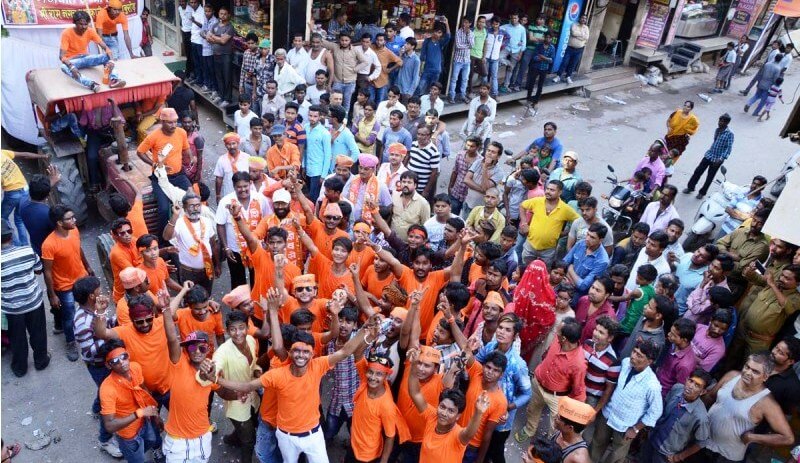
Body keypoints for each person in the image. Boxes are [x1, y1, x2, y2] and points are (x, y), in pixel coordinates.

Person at [215, 312, 377, 463]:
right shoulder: (278, 374)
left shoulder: (318, 365)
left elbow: (345, 351)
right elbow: (247, 385)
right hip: (286, 437)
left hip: (313, 436)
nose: (301, 355)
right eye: (296, 351)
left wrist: (364, 328)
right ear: (289, 353)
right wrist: (216, 379)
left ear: (312, 353)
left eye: (306, 351)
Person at [697, 353, 794, 462]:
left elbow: (788, 438)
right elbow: (710, 396)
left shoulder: (766, 403)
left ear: (765, 377)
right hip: (701, 441)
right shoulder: (731, 376)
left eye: (755, 371)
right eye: (747, 367)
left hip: (725, 456)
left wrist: (753, 438)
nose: (748, 373)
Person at [406, 348, 490, 463]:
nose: (444, 413)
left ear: (458, 416)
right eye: (442, 407)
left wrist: (478, 412)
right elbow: (415, 393)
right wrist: (414, 364)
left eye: (451, 411)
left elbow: (469, 433)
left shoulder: (458, 436)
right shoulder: (432, 417)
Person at [589, 340, 663, 463]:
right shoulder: (624, 363)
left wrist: (635, 429)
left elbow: (656, 411)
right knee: (597, 443)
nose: (633, 356)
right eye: (634, 351)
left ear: (649, 361)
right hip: (608, 415)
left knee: (616, 456)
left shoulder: (652, 385)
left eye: (639, 355)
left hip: (626, 425)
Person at [515, 318, 587, 443]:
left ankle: (549, 443)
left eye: (557, 332)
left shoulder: (579, 363)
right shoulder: (558, 340)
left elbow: (578, 390)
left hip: (556, 397)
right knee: (532, 410)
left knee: (556, 426)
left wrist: (573, 413)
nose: (555, 334)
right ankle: (529, 430)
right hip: (537, 384)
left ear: (564, 338)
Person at [97, 340, 164, 463]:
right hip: (129, 435)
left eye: (123, 356)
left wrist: (156, 415)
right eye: (115, 361)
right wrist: (139, 413)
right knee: (136, 459)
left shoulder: (135, 367)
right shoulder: (107, 389)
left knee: (154, 440)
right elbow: (110, 426)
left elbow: (144, 390)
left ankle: (157, 451)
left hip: (146, 421)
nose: (122, 363)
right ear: (108, 365)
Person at [42, 205, 93, 361]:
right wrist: (52, 296)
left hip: (82, 278)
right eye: (70, 218)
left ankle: (95, 332)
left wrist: (88, 266)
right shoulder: (49, 244)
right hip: (64, 287)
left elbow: (79, 249)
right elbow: (48, 272)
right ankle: (71, 342)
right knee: (69, 317)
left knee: (90, 308)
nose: (74, 220)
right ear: (59, 222)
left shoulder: (74, 230)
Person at [1, 220, 49, 378]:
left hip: (12, 308)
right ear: (11, 235)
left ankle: (20, 368)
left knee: (17, 338)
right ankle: (41, 361)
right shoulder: (27, 251)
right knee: (38, 333)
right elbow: (38, 270)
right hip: (33, 301)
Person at [136, 107, 193, 234]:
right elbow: (140, 152)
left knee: (192, 199)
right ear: (162, 122)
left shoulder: (181, 132)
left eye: (175, 121)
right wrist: (154, 164)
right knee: (163, 209)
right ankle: (162, 239)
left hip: (179, 175)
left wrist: (190, 159)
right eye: (170, 122)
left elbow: (186, 149)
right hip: (160, 178)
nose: (174, 125)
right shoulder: (153, 136)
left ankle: (192, 230)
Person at [641, 369, 713, 463]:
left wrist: (679, 457)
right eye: (691, 381)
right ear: (686, 379)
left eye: (697, 385)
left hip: (665, 454)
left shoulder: (700, 417)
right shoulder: (676, 389)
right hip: (651, 440)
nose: (691, 386)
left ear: (702, 392)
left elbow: (702, 442)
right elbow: (662, 410)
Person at [165, 192, 218, 294]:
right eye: (192, 206)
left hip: (207, 269)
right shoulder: (179, 223)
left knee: (206, 297)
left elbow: (213, 244)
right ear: (184, 209)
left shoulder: (206, 221)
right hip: (188, 272)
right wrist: (175, 216)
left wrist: (217, 265)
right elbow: (166, 236)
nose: (195, 209)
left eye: (198, 205)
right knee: (191, 299)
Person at [520, 180, 580, 267]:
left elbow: (578, 221)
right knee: (525, 269)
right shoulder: (537, 201)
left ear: (560, 192)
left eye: (552, 190)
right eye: (547, 189)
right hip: (530, 246)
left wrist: (567, 232)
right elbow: (522, 206)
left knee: (543, 273)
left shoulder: (565, 208)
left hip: (548, 251)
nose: (548, 191)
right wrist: (524, 223)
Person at [59, 11, 124, 91]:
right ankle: (91, 84)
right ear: (75, 23)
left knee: (108, 57)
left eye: (85, 24)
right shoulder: (66, 33)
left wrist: (111, 60)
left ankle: (114, 80)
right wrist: (71, 67)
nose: (83, 27)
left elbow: (106, 47)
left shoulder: (90, 31)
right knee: (63, 67)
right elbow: (61, 56)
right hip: (73, 61)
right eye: (81, 24)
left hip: (86, 58)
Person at [316, 21, 370, 116]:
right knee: (334, 101)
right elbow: (323, 42)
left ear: (350, 41)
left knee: (346, 102)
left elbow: (365, 62)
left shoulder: (355, 50)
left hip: (350, 82)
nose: (344, 42)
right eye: (342, 40)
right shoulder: (335, 47)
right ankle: (333, 118)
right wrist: (315, 31)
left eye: (346, 40)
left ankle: (344, 120)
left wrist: (355, 69)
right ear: (339, 40)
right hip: (337, 81)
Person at [2, 149, 47, 246]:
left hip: (12, 193)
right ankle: (25, 245)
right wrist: (43, 156)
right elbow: (24, 154)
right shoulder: (2, 153)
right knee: (19, 219)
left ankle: (16, 245)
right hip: (25, 189)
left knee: (2, 219)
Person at [684, 113, 734, 199]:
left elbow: (728, 148)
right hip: (709, 154)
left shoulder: (730, 134)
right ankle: (690, 187)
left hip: (717, 159)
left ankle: (702, 193)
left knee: (710, 177)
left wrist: (721, 158)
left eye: (723, 121)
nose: (720, 122)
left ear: (727, 123)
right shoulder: (717, 130)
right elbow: (715, 142)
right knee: (698, 171)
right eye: (720, 120)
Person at [564, 224, 610, 299]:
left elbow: (583, 286)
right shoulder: (581, 243)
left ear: (600, 240)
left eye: (592, 237)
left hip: (576, 295)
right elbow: (564, 263)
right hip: (564, 282)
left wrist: (570, 270)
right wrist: (569, 278)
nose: (587, 238)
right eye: (587, 234)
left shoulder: (602, 261)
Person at [656, 318, 698, 396]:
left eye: (673, 335)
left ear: (684, 340)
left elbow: (678, 389)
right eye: (670, 332)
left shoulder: (685, 365)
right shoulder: (674, 344)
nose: (669, 334)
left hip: (662, 393)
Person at [389, 171, 432, 241]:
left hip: (410, 244)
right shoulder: (394, 196)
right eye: (403, 182)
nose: (405, 184)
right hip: (391, 240)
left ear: (415, 185)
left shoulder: (423, 203)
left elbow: (425, 226)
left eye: (409, 182)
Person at [109, 218, 142, 302]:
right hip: (124, 296)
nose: (127, 235)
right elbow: (134, 273)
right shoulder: (116, 253)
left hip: (137, 288)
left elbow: (146, 254)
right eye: (122, 233)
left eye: (129, 231)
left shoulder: (134, 241)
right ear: (116, 236)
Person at [304, 105, 333, 201]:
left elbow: (328, 155)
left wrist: (323, 175)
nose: (312, 118)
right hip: (307, 167)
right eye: (310, 115)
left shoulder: (324, 133)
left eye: (315, 116)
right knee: (307, 194)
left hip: (318, 170)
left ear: (320, 117)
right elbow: (304, 148)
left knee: (313, 197)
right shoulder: (305, 127)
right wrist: (303, 165)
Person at [406, 125, 441, 201]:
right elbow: (409, 158)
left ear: (429, 136)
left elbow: (434, 173)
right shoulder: (413, 144)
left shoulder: (433, 151)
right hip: (408, 184)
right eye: (418, 134)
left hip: (420, 187)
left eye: (423, 135)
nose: (420, 137)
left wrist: (426, 190)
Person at [207, 5, 234, 106]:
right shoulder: (215, 25)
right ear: (218, 14)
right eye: (221, 14)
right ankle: (221, 96)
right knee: (219, 76)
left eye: (225, 14)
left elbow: (223, 41)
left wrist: (215, 38)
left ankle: (228, 99)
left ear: (228, 15)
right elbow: (208, 38)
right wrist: (218, 38)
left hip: (226, 55)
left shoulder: (230, 27)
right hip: (216, 54)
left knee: (227, 77)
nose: (222, 16)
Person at [417, 19, 451, 96]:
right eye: (436, 32)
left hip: (436, 70)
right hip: (426, 70)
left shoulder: (440, 43)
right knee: (420, 87)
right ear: (433, 31)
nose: (437, 34)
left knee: (432, 90)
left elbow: (448, 36)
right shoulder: (427, 41)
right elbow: (422, 56)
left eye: (440, 33)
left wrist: (447, 23)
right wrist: (420, 69)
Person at [525, 32, 555, 116]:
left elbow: (551, 60)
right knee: (531, 84)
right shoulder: (539, 46)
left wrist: (543, 57)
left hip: (544, 69)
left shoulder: (552, 48)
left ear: (551, 39)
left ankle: (536, 102)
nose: (548, 39)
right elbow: (534, 58)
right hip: (536, 67)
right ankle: (528, 99)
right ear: (544, 37)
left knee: (540, 86)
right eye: (547, 37)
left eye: (550, 38)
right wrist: (545, 58)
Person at [553, 15, 589, 84]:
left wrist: (579, 36)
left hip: (579, 50)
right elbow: (573, 33)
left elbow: (586, 37)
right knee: (565, 62)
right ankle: (558, 76)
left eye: (585, 18)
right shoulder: (574, 24)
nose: (583, 19)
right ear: (579, 18)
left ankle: (568, 76)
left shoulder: (586, 28)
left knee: (573, 64)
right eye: (582, 18)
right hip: (570, 48)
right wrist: (582, 35)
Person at [448, 17, 475, 105]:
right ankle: (451, 96)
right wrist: (467, 45)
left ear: (470, 24)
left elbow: (472, 45)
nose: (464, 24)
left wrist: (467, 36)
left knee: (465, 79)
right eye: (463, 22)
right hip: (458, 60)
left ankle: (463, 96)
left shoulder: (471, 33)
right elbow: (458, 46)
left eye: (467, 22)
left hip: (467, 60)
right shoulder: (458, 32)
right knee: (454, 79)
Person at [499, 13, 526, 93]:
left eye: (515, 18)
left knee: (510, 70)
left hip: (516, 50)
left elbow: (524, 43)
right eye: (512, 18)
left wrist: (520, 54)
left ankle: (506, 85)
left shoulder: (522, 29)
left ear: (518, 19)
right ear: (510, 18)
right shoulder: (506, 26)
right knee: (499, 58)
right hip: (507, 48)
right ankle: (509, 63)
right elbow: (497, 28)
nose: (514, 20)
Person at [483, 17, 504, 97]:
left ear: (499, 24)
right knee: (485, 75)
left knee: (494, 77)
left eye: (497, 24)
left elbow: (508, 38)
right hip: (487, 57)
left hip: (495, 58)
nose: (495, 26)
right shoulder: (487, 31)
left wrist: (502, 46)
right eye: (493, 24)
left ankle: (495, 94)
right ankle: (484, 92)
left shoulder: (502, 32)